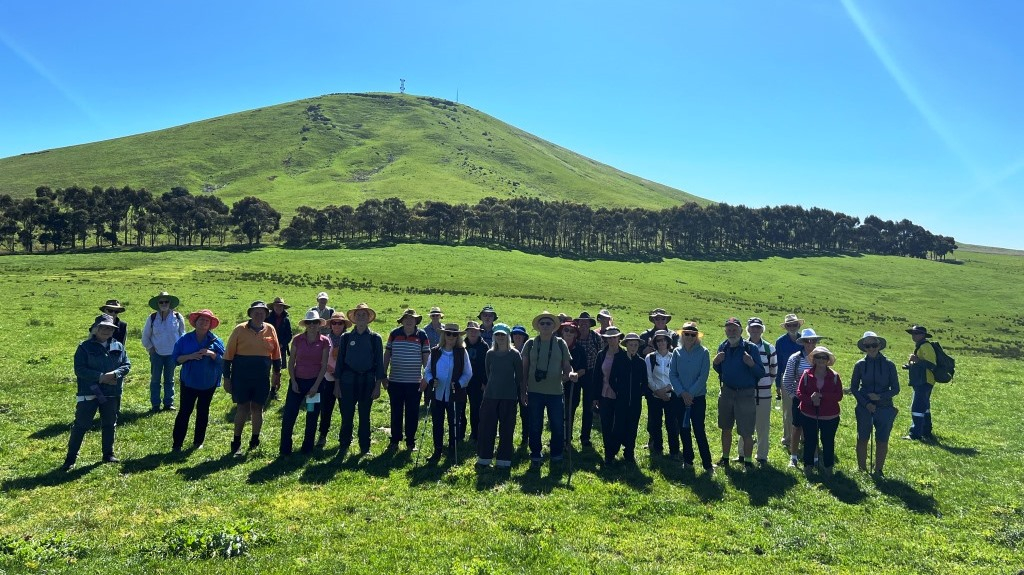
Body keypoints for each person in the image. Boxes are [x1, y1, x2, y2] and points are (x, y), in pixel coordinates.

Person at [63, 314, 131, 470]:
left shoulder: (118, 346)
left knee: (109, 423)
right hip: (89, 391)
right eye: (103, 327)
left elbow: (126, 365)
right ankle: (70, 459)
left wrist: (114, 374)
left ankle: (108, 454)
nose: (106, 331)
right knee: (81, 425)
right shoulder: (84, 347)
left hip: (111, 392)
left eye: (110, 328)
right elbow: (79, 369)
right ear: (95, 330)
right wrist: (100, 377)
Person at [223, 301, 282, 455]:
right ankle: (236, 441)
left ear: (266, 314)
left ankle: (254, 440)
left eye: (262, 312)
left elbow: (276, 355)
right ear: (250, 313)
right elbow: (228, 356)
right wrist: (227, 378)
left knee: (258, 408)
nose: (259, 314)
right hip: (241, 377)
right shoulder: (239, 329)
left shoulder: (270, 329)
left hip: (261, 378)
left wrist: (277, 375)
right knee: (242, 407)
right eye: (256, 312)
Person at [712, 317, 765, 469]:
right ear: (725, 331)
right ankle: (725, 458)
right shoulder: (723, 347)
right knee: (725, 427)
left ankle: (747, 462)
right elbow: (719, 370)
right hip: (727, 392)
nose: (732, 332)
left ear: (741, 331)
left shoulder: (751, 349)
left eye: (735, 329)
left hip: (745, 394)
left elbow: (760, 373)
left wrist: (752, 363)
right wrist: (715, 363)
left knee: (747, 431)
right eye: (729, 329)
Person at [333, 303, 386, 456]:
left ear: (369, 318)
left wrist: (378, 386)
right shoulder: (346, 337)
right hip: (347, 381)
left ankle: (365, 447)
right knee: (347, 415)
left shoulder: (375, 338)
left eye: (364, 315)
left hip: (367, 382)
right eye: (358, 315)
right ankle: (344, 444)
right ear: (354, 318)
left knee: (365, 416)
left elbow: (379, 364)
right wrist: (337, 385)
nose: (361, 317)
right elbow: (340, 362)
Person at [522, 311, 573, 468]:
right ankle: (535, 455)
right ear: (538, 326)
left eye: (548, 323)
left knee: (558, 426)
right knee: (535, 425)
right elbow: (524, 369)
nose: (545, 326)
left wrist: (570, 373)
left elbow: (566, 365)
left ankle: (556, 455)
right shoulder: (530, 343)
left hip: (555, 392)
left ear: (553, 327)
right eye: (542, 323)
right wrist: (523, 390)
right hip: (534, 392)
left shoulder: (560, 343)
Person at [170, 309, 224, 452]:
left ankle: (198, 442)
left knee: (203, 412)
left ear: (210, 324)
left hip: (208, 383)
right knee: (184, 412)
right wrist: (190, 356)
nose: (204, 323)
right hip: (189, 382)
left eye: (207, 321)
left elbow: (224, 361)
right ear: (195, 322)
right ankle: (177, 444)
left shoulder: (216, 341)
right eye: (201, 320)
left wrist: (212, 354)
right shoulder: (184, 339)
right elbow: (175, 359)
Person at [281, 311, 331, 456]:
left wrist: (315, 386)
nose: (312, 325)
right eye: (310, 322)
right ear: (306, 324)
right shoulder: (297, 340)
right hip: (297, 384)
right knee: (290, 414)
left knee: (311, 415)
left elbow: (324, 365)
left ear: (319, 324)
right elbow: (291, 363)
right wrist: (294, 381)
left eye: (315, 322)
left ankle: (307, 447)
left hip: (314, 385)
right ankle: (285, 449)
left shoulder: (324, 341)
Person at [422, 323, 473, 462]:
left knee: (454, 423)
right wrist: (431, 380)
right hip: (437, 394)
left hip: (455, 395)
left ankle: (451, 451)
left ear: (458, 337)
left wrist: (459, 384)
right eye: (448, 334)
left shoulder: (462, 352)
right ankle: (437, 451)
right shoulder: (435, 351)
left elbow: (468, 373)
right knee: (437, 423)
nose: (451, 337)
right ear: (444, 335)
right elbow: (427, 371)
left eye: (454, 334)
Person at [851, 331, 899, 475]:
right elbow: (854, 388)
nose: (871, 348)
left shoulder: (889, 365)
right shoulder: (859, 365)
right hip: (864, 408)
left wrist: (880, 397)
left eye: (874, 345)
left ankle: (878, 469)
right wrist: (866, 404)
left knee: (882, 440)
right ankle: (862, 469)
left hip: (885, 408)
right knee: (862, 438)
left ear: (879, 345)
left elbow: (896, 389)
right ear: (864, 347)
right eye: (868, 346)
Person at [596, 330, 647, 465]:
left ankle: (629, 453)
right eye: (631, 345)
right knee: (618, 427)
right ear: (626, 345)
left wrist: (640, 393)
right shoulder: (619, 359)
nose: (633, 348)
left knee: (632, 427)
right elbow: (612, 378)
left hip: (635, 402)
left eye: (636, 345)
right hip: (620, 400)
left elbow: (645, 381)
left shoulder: (641, 362)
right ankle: (611, 453)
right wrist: (619, 391)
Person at [477, 324, 524, 468]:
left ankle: (503, 460)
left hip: (509, 397)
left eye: (503, 335)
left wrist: (515, 390)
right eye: (497, 335)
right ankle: (484, 459)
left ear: (508, 336)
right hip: (490, 395)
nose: (500, 337)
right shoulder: (490, 354)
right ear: (494, 336)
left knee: (507, 429)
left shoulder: (515, 354)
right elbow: (488, 373)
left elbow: (520, 376)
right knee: (487, 427)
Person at [669, 322, 713, 471]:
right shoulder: (676, 352)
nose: (689, 337)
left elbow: (703, 376)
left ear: (697, 337)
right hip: (680, 398)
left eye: (692, 334)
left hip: (697, 398)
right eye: (686, 334)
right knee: (684, 429)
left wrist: (691, 394)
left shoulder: (704, 352)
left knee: (699, 429)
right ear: (682, 335)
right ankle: (688, 460)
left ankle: (707, 464)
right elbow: (672, 374)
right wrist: (682, 393)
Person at [383, 309, 430, 450]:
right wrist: (383, 375)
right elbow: (387, 355)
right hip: (395, 381)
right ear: (402, 320)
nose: (409, 320)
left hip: (414, 382)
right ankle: (395, 440)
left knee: (412, 412)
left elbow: (426, 359)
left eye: (412, 318)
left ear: (416, 321)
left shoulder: (422, 335)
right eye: (406, 318)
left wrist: (425, 378)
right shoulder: (394, 334)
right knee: (396, 411)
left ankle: (410, 441)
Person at [796, 346, 844, 476]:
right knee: (810, 441)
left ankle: (828, 468)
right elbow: (799, 393)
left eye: (824, 357)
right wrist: (810, 400)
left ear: (828, 360)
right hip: (808, 414)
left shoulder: (834, 376)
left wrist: (822, 396)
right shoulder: (806, 374)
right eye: (818, 357)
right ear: (814, 359)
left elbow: (839, 396)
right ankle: (808, 467)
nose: (821, 360)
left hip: (830, 416)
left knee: (828, 442)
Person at [781, 328, 824, 467]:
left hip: (817, 401)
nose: (810, 344)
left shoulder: (822, 358)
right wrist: (795, 396)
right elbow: (787, 379)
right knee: (796, 428)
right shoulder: (795, 358)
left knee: (814, 428)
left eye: (813, 341)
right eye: (807, 341)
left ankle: (815, 457)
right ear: (803, 342)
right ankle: (793, 457)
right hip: (800, 400)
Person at [737, 317, 777, 465]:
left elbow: (773, 370)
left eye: (758, 328)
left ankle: (761, 456)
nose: (755, 330)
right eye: (752, 328)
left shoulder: (769, 348)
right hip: (744, 393)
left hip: (764, 394)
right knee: (744, 424)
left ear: (762, 330)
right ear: (748, 329)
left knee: (762, 426)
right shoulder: (742, 346)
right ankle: (741, 454)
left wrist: (766, 384)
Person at [141, 291, 186, 412]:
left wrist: (180, 350)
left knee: (169, 379)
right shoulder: (152, 318)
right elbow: (145, 336)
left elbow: (182, 334)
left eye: (166, 301)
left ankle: (168, 403)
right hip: (157, 354)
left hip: (172, 354)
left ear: (170, 303)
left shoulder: (178, 317)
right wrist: (150, 349)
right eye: (161, 302)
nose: (164, 304)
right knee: (155, 379)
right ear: (158, 304)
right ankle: (155, 404)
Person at [317, 312, 351, 447]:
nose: (337, 325)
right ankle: (322, 435)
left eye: (340, 323)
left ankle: (347, 436)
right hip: (328, 378)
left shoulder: (348, 339)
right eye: (334, 322)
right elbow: (319, 358)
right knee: (326, 409)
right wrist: (328, 368)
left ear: (344, 325)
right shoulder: (325, 339)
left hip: (344, 379)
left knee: (346, 409)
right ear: (330, 325)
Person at [645, 329, 679, 459]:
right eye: (658, 340)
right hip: (655, 396)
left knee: (672, 424)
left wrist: (666, 390)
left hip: (672, 395)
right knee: (655, 424)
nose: (661, 343)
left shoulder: (675, 356)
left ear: (668, 341)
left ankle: (674, 451)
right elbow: (648, 378)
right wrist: (657, 391)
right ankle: (658, 449)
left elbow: (677, 376)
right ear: (655, 342)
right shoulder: (650, 357)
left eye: (664, 340)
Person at [903, 325, 938, 441]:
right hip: (923, 381)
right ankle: (926, 431)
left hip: (924, 381)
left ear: (923, 335)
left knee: (917, 407)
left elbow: (932, 364)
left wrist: (917, 360)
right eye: (913, 333)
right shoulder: (922, 346)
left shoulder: (926, 347)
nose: (914, 335)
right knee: (925, 407)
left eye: (916, 333)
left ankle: (915, 433)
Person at [774, 314, 805, 448]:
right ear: (785, 327)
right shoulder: (780, 342)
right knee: (788, 410)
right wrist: (777, 384)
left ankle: (804, 437)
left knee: (805, 408)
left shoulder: (805, 340)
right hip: (786, 379)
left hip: (804, 379)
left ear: (799, 325)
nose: (792, 327)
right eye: (789, 325)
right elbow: (778, 364)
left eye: (794, 324)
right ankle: (788, 438)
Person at [574, 311, 603, 447]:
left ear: (590, 324)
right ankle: (567, 435)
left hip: (591, 374)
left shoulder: (596, 337)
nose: (584, 324)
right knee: (572, 404)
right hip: (575, 374)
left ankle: (585, 437)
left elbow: (602, 356)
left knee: (588, 406)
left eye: (586, 322)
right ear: (578, 323)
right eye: (581, 322)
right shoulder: (574, 336)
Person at [558, 321, 588, 450]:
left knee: (569, 414)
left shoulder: (580, 349)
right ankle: (557, 439)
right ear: (561, 332)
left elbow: (583, 369)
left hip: (573, 386)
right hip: (555, 385)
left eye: (572, 331)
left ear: (576, 334)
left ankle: (567, 440)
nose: (569, 333)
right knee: (557, 414)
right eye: (566, 330)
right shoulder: (556, 346)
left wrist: (573, 375)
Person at [463, 321, 490, 442]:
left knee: (476, 409)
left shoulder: (484, 347)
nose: (473, 332)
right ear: (467, 332)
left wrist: (485, 382)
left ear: (480, 332)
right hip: (462, 382)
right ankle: (460, 433)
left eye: (476, 330)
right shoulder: (461, 345)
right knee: (460, 408)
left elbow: (487, 366)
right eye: (470, 330)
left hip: (477, 383)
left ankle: (476, 433)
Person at [267, 296, 293, 400]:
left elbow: (289, 335)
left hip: (281, 348)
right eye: (277, 306)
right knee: (266, 368)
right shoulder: (267, 317)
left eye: (281, 306)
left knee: (277, 371)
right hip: (267, 348)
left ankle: (273, 390)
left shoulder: (286, 319)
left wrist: (282, 344)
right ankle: (264, 390)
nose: (279, 308)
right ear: (273, 307)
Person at [510, 324, 530, 441]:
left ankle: (525, 437)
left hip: (525, 384)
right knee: (510, 412)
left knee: (525, 413)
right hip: (511, 385)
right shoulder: (508, 349)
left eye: (520, 335)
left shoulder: (528, 350)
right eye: (515, 334)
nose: (518, 337)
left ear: (524, 337)